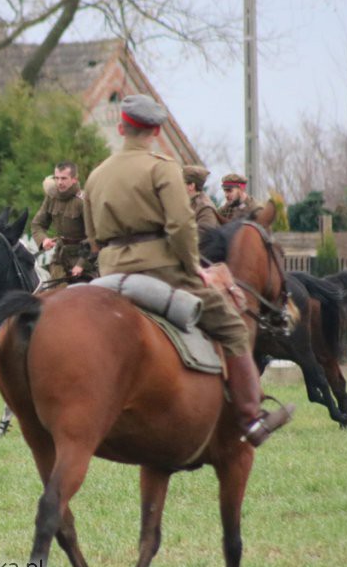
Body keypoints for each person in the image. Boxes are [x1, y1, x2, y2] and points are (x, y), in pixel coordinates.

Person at [82, 94, 293, 447]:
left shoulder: (96, 175)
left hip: (108, 272)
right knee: (232, 325)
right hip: (160, 271)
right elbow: (181, 227)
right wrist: (194, 267)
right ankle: (251, 419)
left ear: (121, 128)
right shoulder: (162, 167)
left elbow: (92, 239)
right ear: (156, 130)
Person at [31, 161, 96, 282]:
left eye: (64, 178)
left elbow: (94, 236)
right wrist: (43, 240)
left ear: (74, 180)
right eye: (57, 178)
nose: (60, 182)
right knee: (53, 294)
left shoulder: (82, 201)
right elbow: (37, 224)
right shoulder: (52, 197)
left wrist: (81, 264)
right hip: (59, 257)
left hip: (85, 260)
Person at [183, 164, 221, 234]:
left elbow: (204, 236)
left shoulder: (205, 208)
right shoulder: (188, 202)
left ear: (191, 186)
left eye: (181, 183)